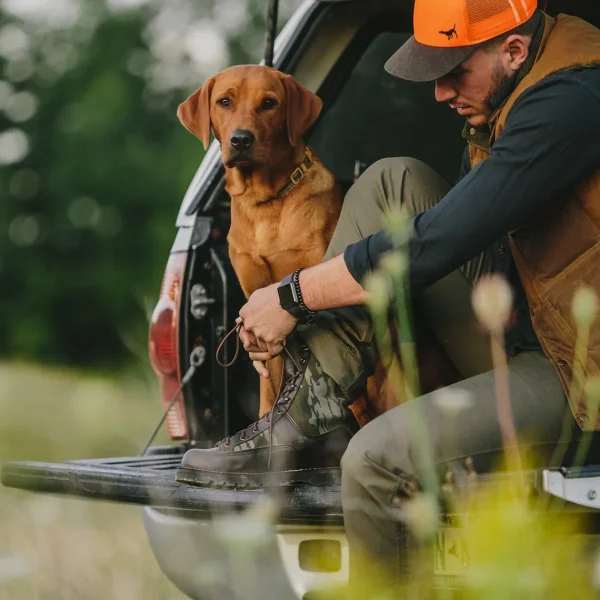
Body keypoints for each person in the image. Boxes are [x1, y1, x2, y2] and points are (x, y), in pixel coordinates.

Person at [179, 0, 600, 594]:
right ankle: (306, 416)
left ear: (513, 50)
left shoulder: (574, 99)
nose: (438, 92)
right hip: (528, 329)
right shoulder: (502, 101)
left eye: (453, 71)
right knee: (392, 178)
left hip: (581, 372)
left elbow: (444, 238)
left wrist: (293, 295)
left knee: (375, 460)